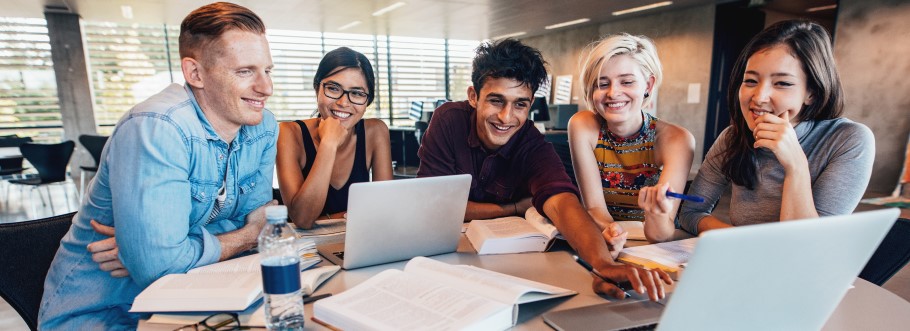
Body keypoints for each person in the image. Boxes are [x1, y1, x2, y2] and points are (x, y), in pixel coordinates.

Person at [39, 3, 277, 329]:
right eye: (245, 71)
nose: (266, 88)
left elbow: (261, 221)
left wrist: (163, 247)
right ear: (195, 73)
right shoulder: (156, 127)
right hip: (109, 313)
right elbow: (160, 267)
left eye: (268, 70)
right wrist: (246, 235)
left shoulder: (263, 127)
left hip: (198, 298)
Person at [417, 38, 671, 301]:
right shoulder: (448, 121)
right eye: (496, 101)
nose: (506, 117)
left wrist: (603, 264)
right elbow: (435, 206)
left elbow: (562, 202)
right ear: (473, 96)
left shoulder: (531, 142)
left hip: (503, 264)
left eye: (520, 104)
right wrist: (513, 208)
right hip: (444, 259)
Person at [678, 19, 875, 234]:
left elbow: (808, 244)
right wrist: (737, 242)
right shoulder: (732, 137)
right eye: (751, 81)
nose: (760, 97)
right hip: (745, 261)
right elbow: (691, 212)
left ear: (812, 92)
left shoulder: (848, 140)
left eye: (782, 83)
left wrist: (795, 165)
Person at [569, 33, 695, 244]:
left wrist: (657, 214)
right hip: (608, 238)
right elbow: (595, 209)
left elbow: (661, 234)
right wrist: (613, 234)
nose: (613, 93)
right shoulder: (582, 126)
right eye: (602, 84)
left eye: (626, 81)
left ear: (648, 85)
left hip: (657, 246)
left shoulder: (676, 139)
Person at [275, 47, 392, 229]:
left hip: (361, 241)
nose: (343, 102)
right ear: (317, 89)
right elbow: (303, 219)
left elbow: (384, 210)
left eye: (357, 93)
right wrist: (329, 143)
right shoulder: (289, 133)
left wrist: (326, 218)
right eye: (333, 88)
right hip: (310, 250)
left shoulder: (375, 131)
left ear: (367, 101)